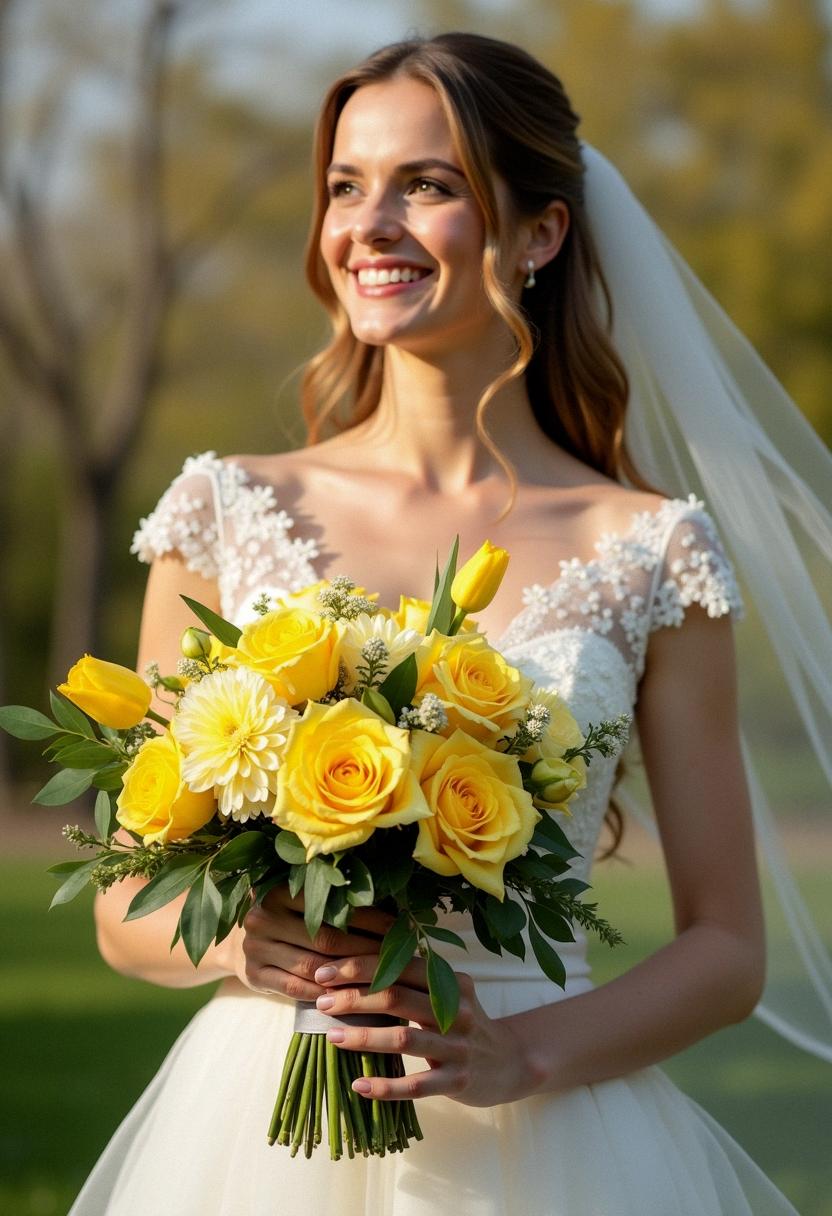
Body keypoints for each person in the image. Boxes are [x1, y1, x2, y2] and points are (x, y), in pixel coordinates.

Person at [68, 31, 830, 1216]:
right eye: (344, 186)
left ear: (539, 232)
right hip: (255, 1128)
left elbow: (727, 949)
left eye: (427, 185)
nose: (368, 224)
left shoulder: (652, 549)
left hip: (551, 1130)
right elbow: (124, 900)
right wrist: (237, 945)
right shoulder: (223, 511)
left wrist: (524, 1055)